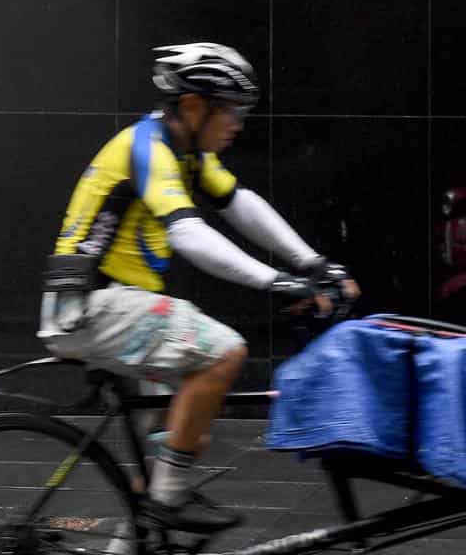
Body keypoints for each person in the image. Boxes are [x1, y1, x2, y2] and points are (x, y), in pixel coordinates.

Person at [38, 42, 359, 534]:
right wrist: (275, 281)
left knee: (182, 438)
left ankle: (148, 519)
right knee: (225, 353)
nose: (238, 123)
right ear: (192, 106)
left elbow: (240, 204)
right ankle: (166, 501)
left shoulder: (186, 153)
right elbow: (188, 233)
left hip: (109, 307)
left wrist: (313, 264)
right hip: (94, 305)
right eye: (230, 110)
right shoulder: (147, 147)